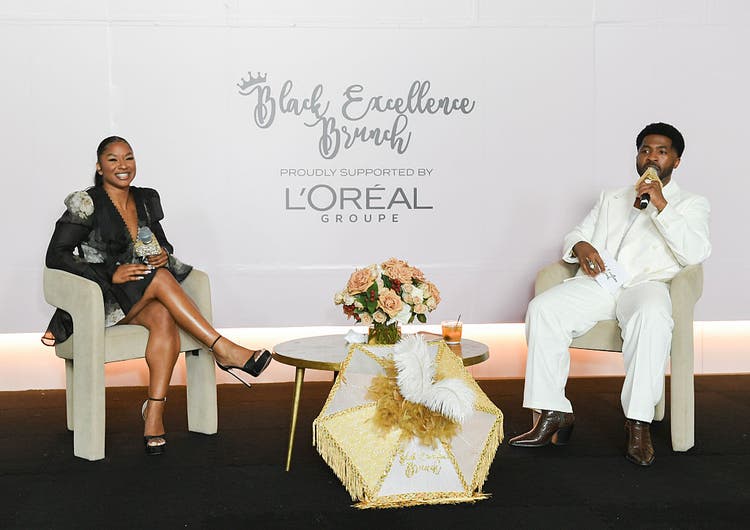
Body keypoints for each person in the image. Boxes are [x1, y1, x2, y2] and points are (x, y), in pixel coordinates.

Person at [42, 136, 273, 455]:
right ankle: (223, 349)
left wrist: (162, 253)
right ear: (99, 166)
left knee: (164, 315)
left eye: (128, 158)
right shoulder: (86, 204)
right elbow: (56, 254)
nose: (122, 166)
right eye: (112, 159)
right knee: (162, 279)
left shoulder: (145, 199)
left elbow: (161, 243)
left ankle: (154, 412)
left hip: (141, 293)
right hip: (103, 299)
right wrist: (110, 272)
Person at [509, 123, 711, 466]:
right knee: (543, 309)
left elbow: (695, 252)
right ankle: (554, 412)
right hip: (603, 283)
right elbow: (576, 234)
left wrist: (661, 205)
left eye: (662, 152)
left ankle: (638, 423)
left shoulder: (691, 204)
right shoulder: (611, 198)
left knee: (651, 316)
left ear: (676, 161)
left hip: (650, 286)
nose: (652, 157)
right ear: (637, 156)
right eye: (645, 150)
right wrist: (581, 246)